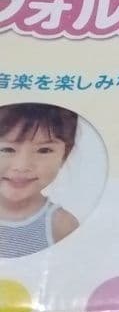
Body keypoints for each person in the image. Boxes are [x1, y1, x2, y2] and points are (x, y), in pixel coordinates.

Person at [0, 103, 79, 258]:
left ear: (65, 155)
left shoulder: (61, 225)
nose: (22, 166)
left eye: (44, 150)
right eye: (7, 149)